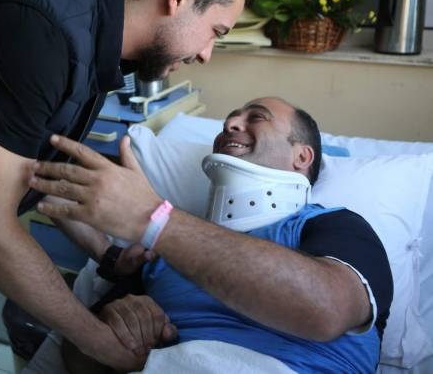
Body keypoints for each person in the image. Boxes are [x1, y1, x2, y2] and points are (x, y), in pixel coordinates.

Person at [0, 0, 260, 373]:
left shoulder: (94, 39)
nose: (205, 54)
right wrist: (97, 339)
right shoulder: (38, 35)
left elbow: (36, 169)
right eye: (215, 32)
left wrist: (108, 253)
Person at [29, 97, 394, 373]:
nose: (231, 123)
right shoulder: (163, 250)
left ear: (302, 157)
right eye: (231, 119)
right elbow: (78, 356)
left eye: (256, 117)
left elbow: (326, 311)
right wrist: (118, 329)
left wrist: (156, 219)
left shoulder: (336, 226)